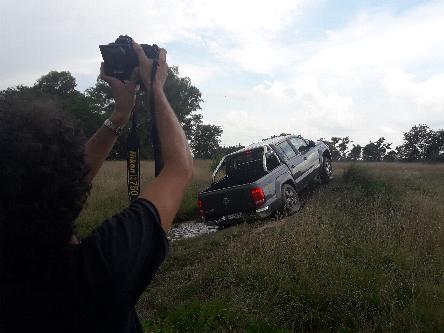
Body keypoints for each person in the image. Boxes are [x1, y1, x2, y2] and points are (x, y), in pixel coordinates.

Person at [0, 42, 193, 332]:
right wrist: (156, 87)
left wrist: (120, 115)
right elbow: (179, 167)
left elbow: (58, 185)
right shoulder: (99, 270)